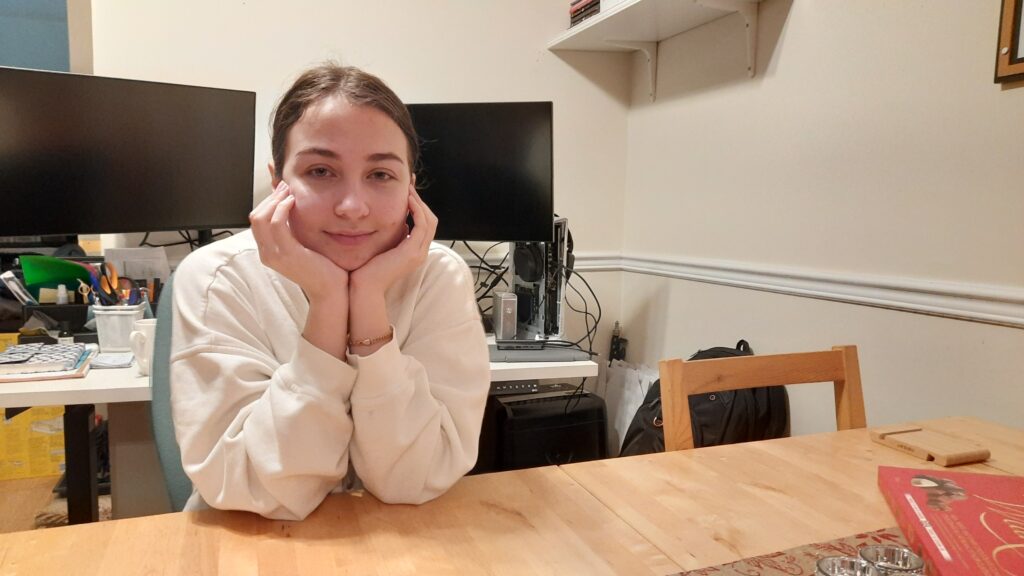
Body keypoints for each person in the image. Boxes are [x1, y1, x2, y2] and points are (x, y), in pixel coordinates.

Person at [169, 63, 490, 521]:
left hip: (402, 545)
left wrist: (369, 306)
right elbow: (259, 489)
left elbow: (417, 478)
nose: (353, 207)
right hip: (252, 547)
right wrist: (327, 303)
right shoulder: (217, 277)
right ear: (277, 182)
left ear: (410, 189)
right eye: (321, 170)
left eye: (381, 175)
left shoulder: (439, 276)